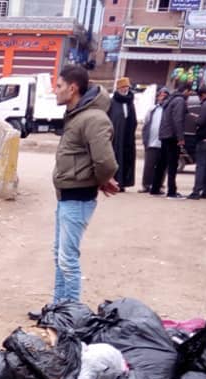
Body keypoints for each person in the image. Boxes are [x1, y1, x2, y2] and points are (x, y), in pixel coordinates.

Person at [50, 64, 119, 304]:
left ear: (73, 88)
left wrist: (100, 180)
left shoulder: (93, 118)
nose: (54, 91)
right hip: (67, 196)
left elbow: (106, 162)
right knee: (60, 255)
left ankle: (72, 313)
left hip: (78, 197)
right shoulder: (77, 115)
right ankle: (58, 308)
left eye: (58, 86)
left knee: (68, 258)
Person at [149, 78, 188, 199]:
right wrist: (180, 137)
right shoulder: (180, 101)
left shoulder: (170, 100)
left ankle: (155, 188)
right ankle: (172, 191)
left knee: (161, 163)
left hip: (165, 134)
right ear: (186, 90)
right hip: (172, 136)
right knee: (172, 164)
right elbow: (178, 120)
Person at [107, 76, 137, 191]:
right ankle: (112, 183)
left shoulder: (130, 101)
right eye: (123, 87)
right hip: (115, 137)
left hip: (127, 136)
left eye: (127, 87)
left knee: (126, 159)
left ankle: (123, 183)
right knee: (114, 157)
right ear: (119, 88)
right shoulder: (113, 101)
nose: (125, 89)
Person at [140, 86, 168, 194]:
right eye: (160, 95)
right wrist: (144, 138)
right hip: (151, 142)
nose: (162, 97)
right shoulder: (152, 109)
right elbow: (146, 124)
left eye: (164, 96)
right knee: (148, 165)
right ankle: (146, 185)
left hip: (163, 142)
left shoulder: (169, 109)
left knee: (162, 166)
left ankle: (159, 186)